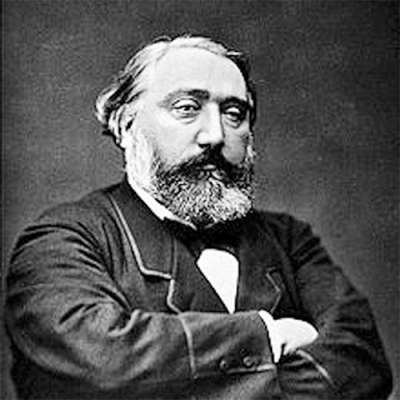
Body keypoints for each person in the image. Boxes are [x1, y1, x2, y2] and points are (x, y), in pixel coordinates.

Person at [5, 35, 392, 400]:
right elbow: (99, 359)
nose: (215, 135)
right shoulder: (64, 238)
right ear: (125, 125)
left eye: (234, 113)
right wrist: (268, 337)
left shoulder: (289, 239)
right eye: (187, 108)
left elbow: (362, 362)